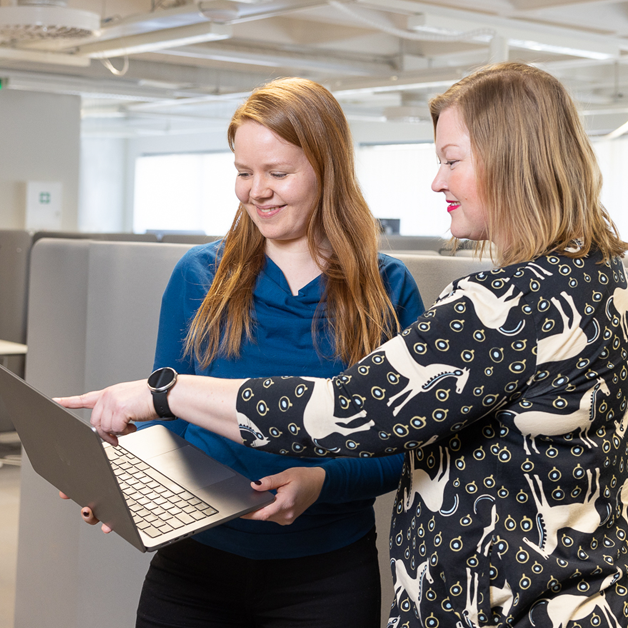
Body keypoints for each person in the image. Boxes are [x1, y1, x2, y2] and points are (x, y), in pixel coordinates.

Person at [58, 62, 628, 627]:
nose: (437, 180)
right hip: (560, 591)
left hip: (485, 597)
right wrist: (129, 481)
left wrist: (168, 393)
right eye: (243, 172)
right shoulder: (608, 279)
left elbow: (343, 411)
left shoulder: (494, 302)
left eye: (451, 160)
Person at [60, 77, 423, 628]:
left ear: (329, 171)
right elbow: (171, 421)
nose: (257, 191)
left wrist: (323, 482)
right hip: (195, 563)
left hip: (325, 574)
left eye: (278, 173)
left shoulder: (386, 289)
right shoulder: (199, 276)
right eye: (243, 172)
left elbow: (407, 450)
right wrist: (121, 481)